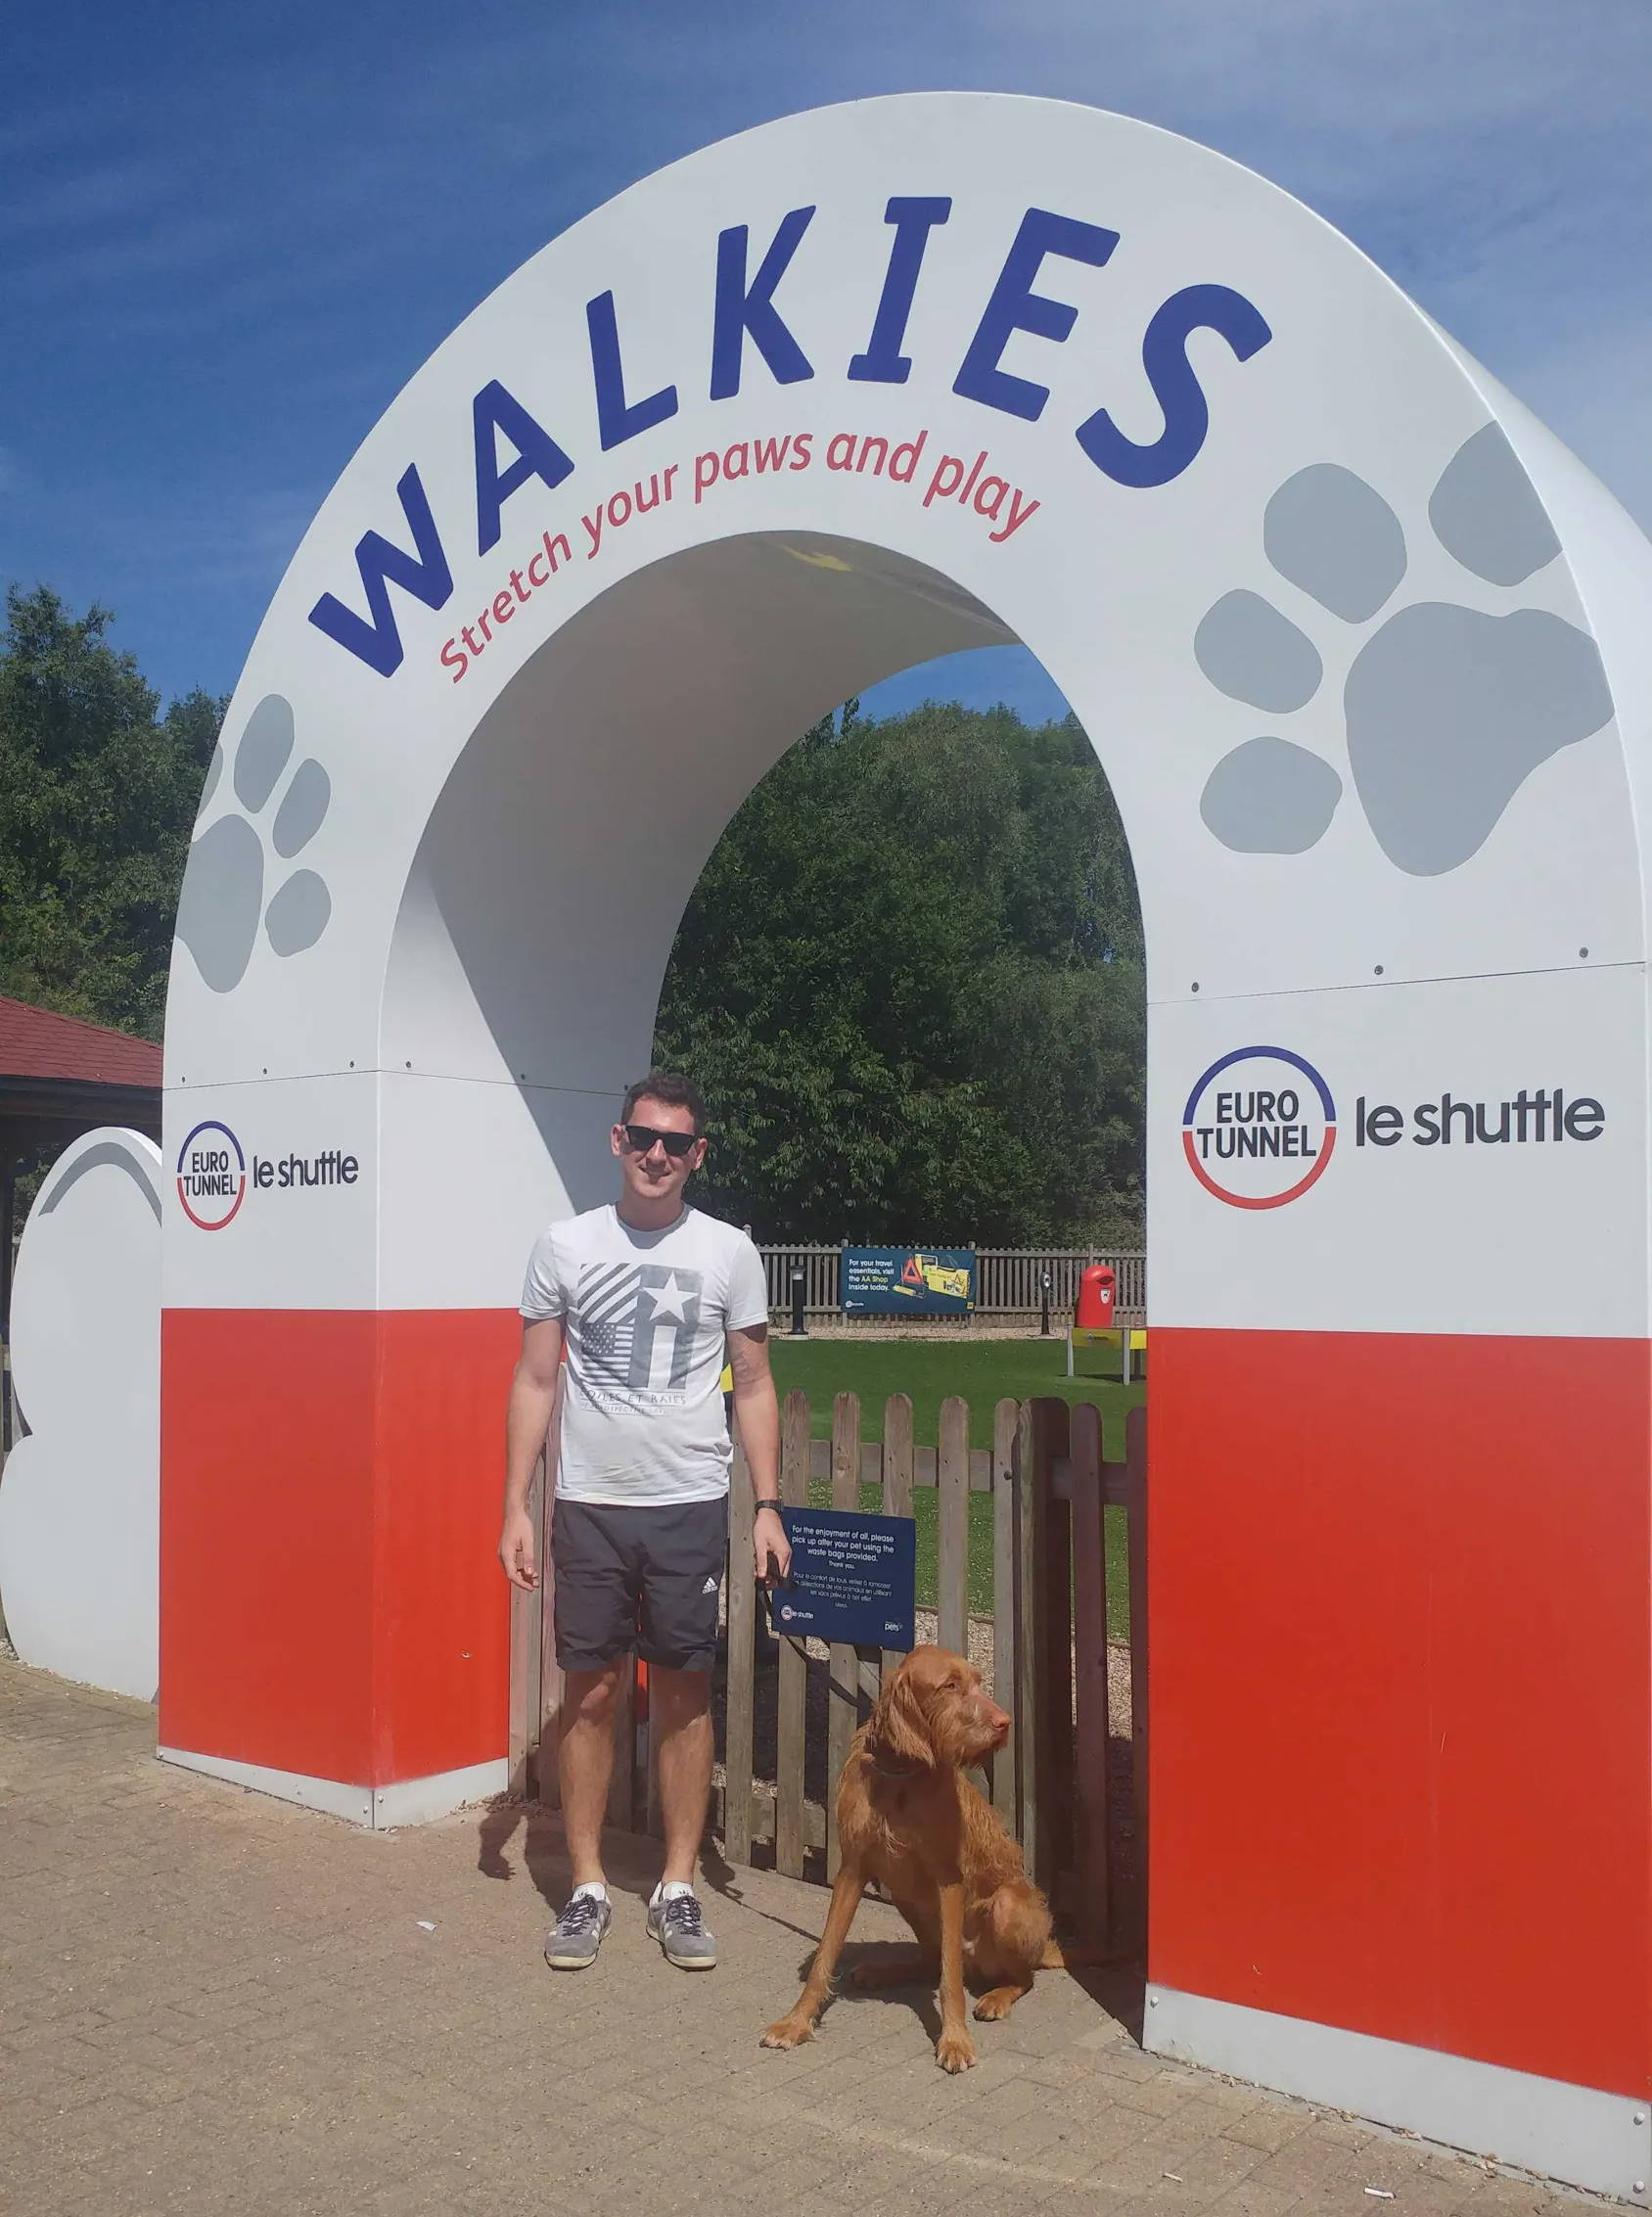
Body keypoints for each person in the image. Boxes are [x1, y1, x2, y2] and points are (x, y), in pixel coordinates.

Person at [498, 1071, 788, 1972]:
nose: (657, 1153)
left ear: (697, 1154)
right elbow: (536, 1379)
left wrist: (768, 1504)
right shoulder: (564, 1245)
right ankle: (586, 1887)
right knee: (586, 1696)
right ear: (618, 1141)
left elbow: (756, 1381)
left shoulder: (731, 1252)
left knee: (683, 1695)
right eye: (643, 1136)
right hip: (587, 1506)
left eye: (676, 1142)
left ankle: (676, 1886)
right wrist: (515, 1501)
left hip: (687, 1509)